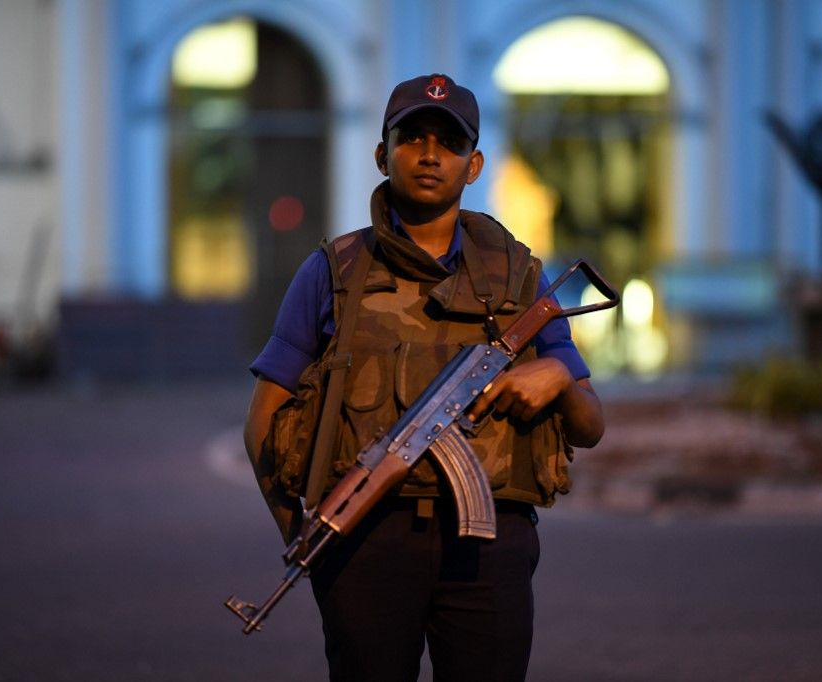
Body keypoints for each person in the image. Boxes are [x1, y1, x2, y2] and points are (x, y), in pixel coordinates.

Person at [245, 73, 605, 682]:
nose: (430, 153)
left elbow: (592, 425)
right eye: (412, 137)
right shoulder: (333, 272)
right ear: (383, 154)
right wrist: (312, 533)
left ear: (475, 164)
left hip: (488, 546)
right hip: (364, 543)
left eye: (449, 141)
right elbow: (262, 422)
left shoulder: (520, 276)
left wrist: (557, 379)